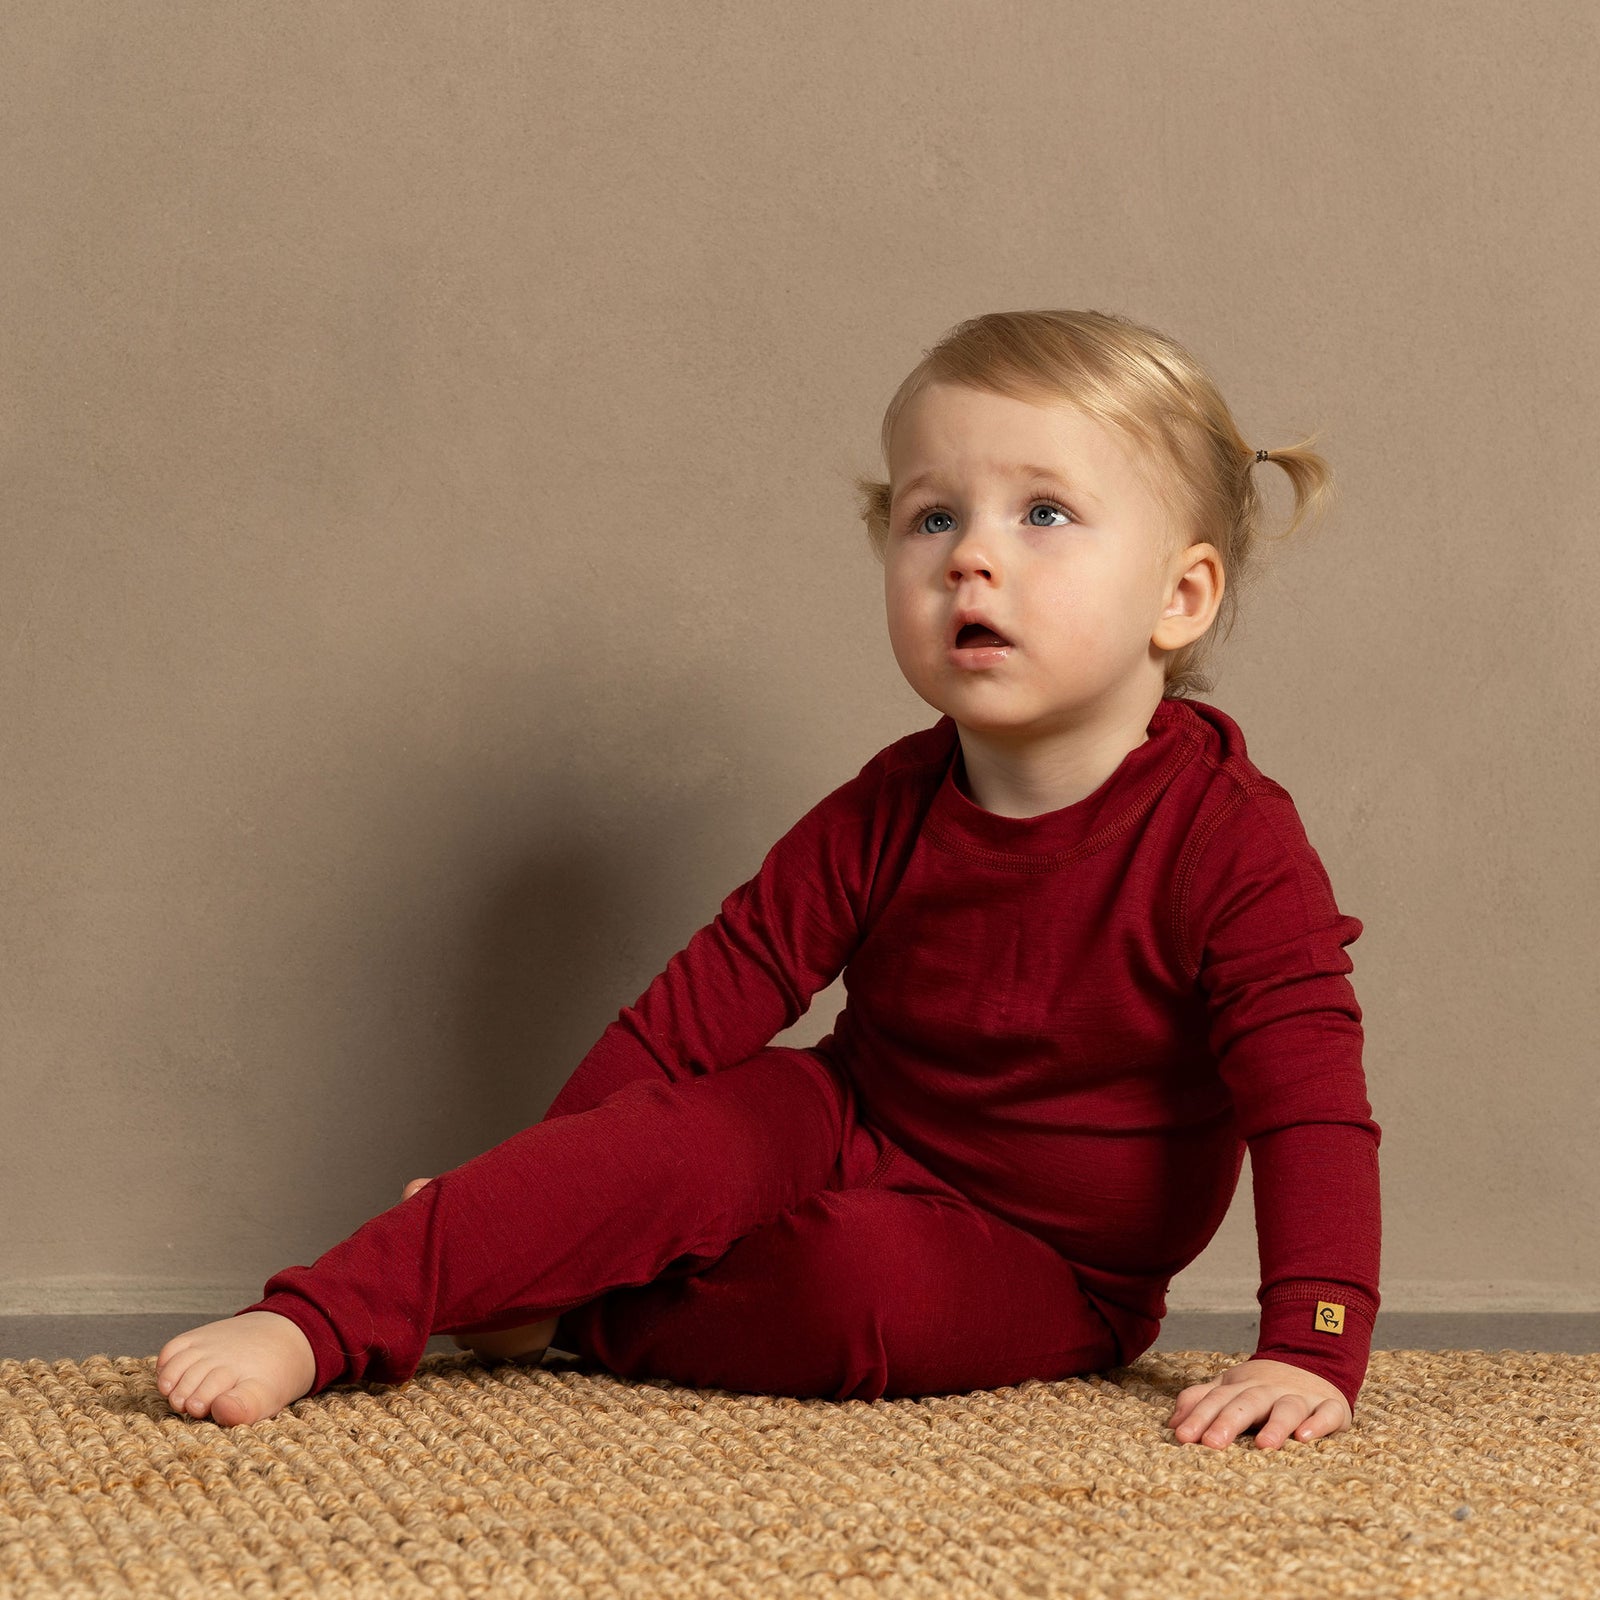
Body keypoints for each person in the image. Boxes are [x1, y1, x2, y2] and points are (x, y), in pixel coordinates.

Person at [155, 308, 1381, 1452]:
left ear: (1180, 595)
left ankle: (575, 1319)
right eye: (931, 517)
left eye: (1044, 515)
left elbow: (1308, 1106)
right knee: (667, 1138)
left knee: (855, 1293)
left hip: (1055, 1257)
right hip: (852, 1116)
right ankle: (323, 1316)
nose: (973, 561)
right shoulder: (890, 803)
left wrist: (1311, 1345)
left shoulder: (1228, 843)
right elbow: (706, 1003)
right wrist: (538, 1194)